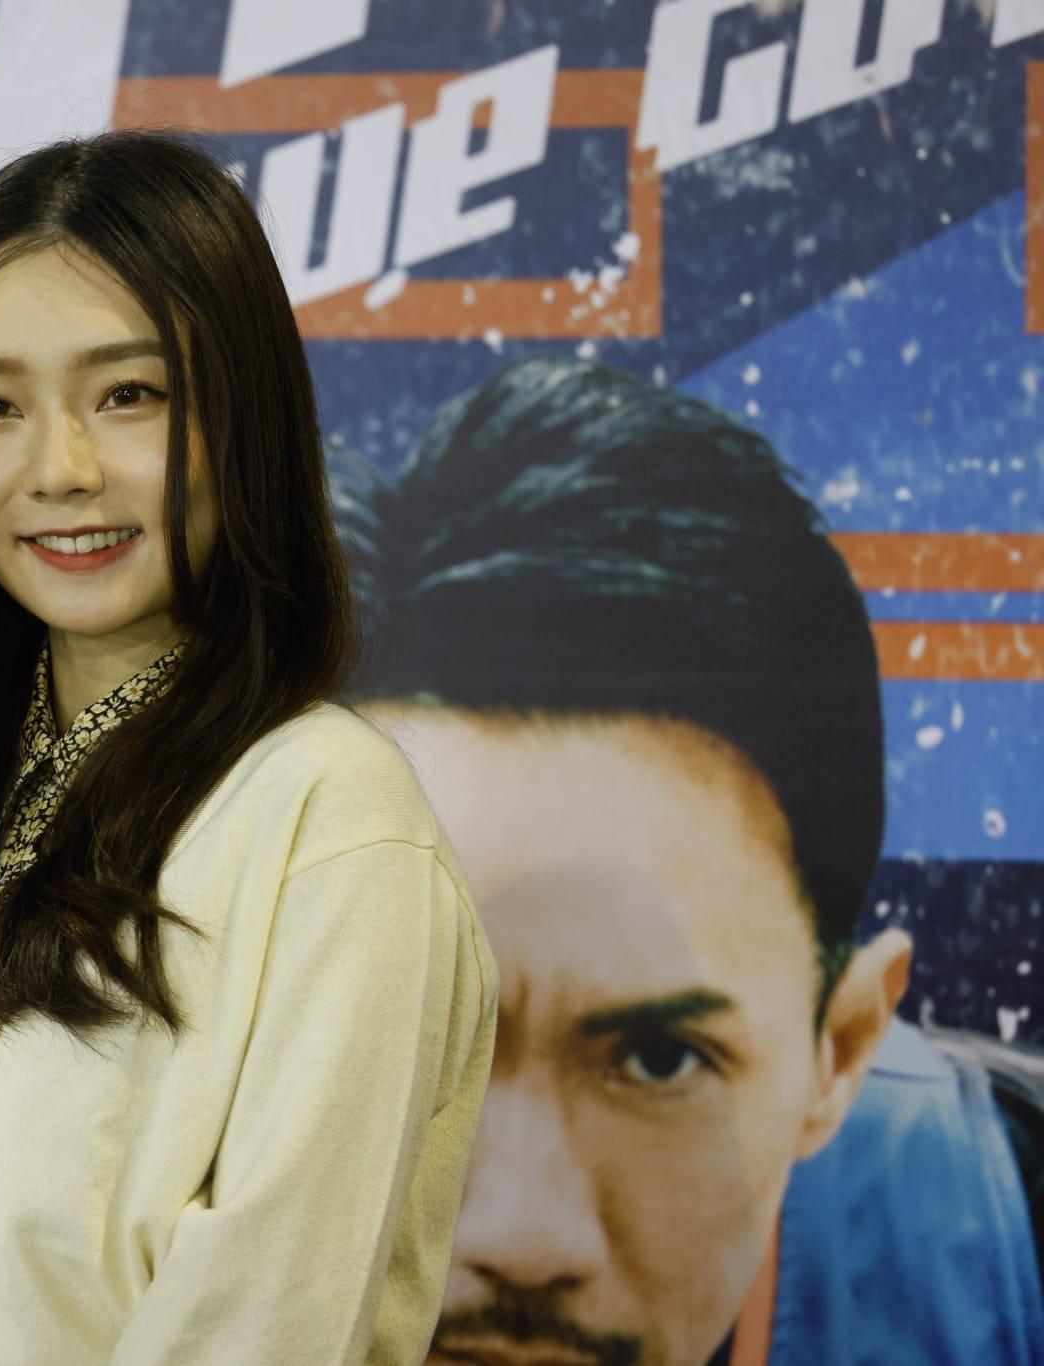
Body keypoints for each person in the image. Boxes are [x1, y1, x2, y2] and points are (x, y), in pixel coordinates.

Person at [0, 129, 498, 1364]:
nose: (60, 470)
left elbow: (265, 1326)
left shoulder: (328, 818)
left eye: (127, 394)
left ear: (242, 417)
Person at [335, 356, 1044, 1365]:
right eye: (388, 1041)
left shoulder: (1005, 1257)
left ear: (838, 1052)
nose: (520, 1235)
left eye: (659, 1059)